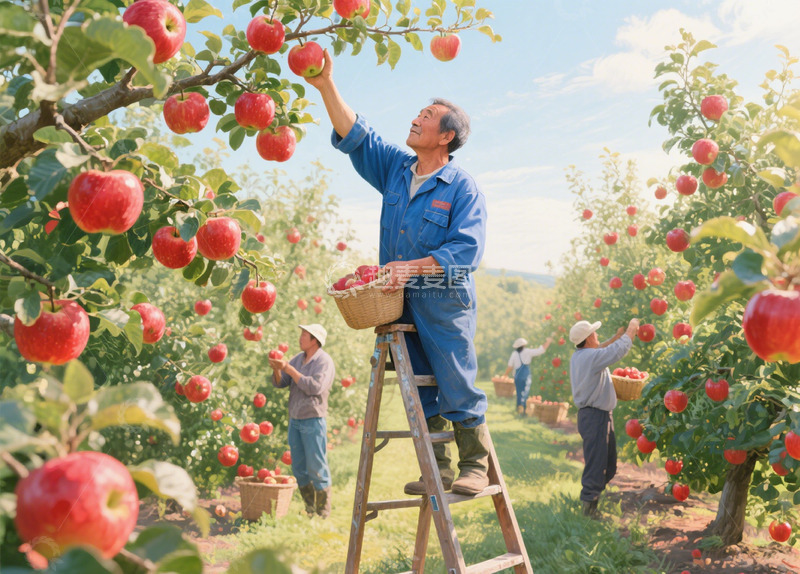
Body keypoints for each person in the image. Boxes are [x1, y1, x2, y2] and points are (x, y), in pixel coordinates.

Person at [305, 51, 490, 496]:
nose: (415, 119)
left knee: (454, 378)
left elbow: (466, 250)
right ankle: (438, 468)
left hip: (444, 301)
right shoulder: (395, 169)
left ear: (446, 136)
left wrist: (413, 268)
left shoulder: (462, 187)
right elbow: (358, 137)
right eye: (417, 113)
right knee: (419, 388)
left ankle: (474, 465)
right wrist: (326, 83)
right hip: (398, 300)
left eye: (426, 116)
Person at [568, 318, 639, 519]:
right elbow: (614, 352)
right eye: (594, 334)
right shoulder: (590, 358)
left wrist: (615, 337)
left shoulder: (580, 356)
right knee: (597, 463)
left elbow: (601, 350)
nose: (597, 336)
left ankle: (593, 501)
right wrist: (631, 330)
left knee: (608, 463)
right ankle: (589, 511)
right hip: (595, 417)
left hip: (598, 416)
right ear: (589, 338)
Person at [269, 324, 336, 518]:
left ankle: (323, 513)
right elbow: (281, 382)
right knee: (298, 467)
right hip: (296, 419)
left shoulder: (324, 362)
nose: (300, 338)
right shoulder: (298, 359)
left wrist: (288, 368)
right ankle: (310, 510)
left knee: (316, 466)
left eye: (304, 335)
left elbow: (314, 387)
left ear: (314, 340)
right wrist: (277, 370)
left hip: (313, 419)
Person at [503, 336, 553, 415]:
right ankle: (524, 409)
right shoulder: (527, 351)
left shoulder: (514, 354)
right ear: (523, 345)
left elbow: (510, 366)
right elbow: (540, 350)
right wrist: (548, 342)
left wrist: (505, 375)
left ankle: (519, 409)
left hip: (517, 375)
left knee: (519, 392)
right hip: (526, 375)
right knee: (525, 391)